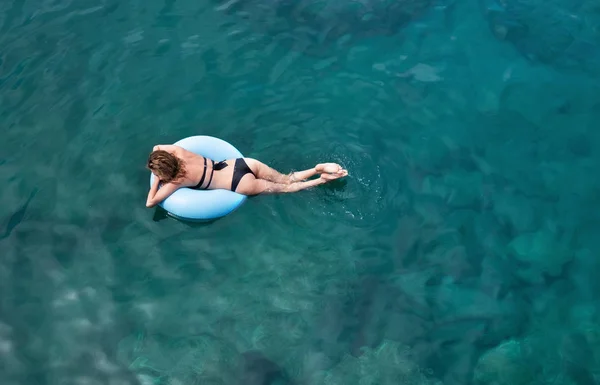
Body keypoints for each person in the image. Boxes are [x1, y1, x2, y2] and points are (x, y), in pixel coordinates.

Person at [145, 144, 348, 208]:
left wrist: (157, 181)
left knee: (287, 189)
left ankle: (321, 179)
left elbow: (151, 203)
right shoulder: (179, 152)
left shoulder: (177, 181)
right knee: (286, 178)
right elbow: (157, 147)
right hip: (243, 164)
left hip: (239, 183)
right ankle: (317, 168)